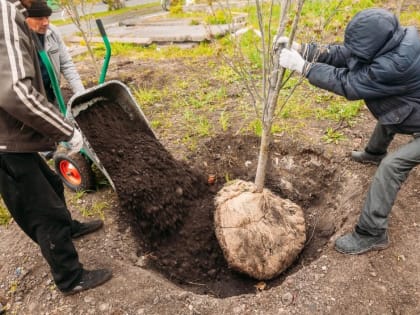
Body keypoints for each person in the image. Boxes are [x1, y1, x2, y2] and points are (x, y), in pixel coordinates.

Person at [278, 8, 420, 255]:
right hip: (413, 105)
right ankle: (373, 153)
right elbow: (347, 54)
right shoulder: (392, 40)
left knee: (393, 166)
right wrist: (303, 48)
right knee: (392, 112)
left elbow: (348, 83)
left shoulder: (395, 65)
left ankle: (372, 233)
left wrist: (305, 68)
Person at [0, 0, 112, 295]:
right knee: (42, 210)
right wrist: (67, 131)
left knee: (51, 182)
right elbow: (15, 91)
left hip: (10, 133)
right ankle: (70, 277)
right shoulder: (4, 12)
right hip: (3, 140)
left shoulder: (17, 13)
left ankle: (69, 228)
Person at [26, 0, 84, 104]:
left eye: (47, 17)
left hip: (52, 91)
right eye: (39, 18)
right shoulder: (20, 40)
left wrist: (81, 94)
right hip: (31, 97)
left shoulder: (52, 32)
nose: (45, 22)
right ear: (26, 19)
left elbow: (66, 64)